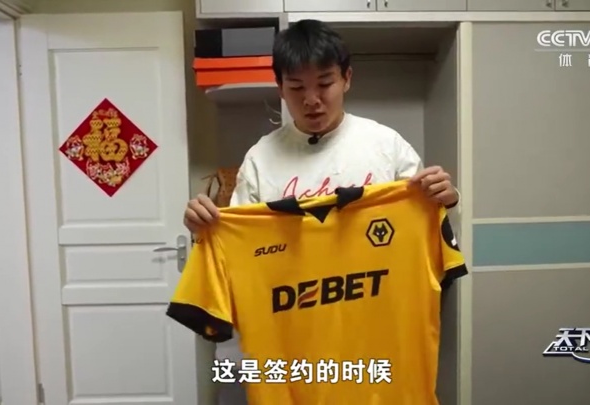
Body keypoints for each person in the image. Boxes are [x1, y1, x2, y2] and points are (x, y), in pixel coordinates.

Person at [184, 18, 460, 402]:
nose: (312, 100)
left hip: (376, 339)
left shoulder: (386, 146)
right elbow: (238, 259)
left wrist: (445, 200)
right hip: (296, 340)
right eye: (297, 87)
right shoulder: (261, 159)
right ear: (280, 88)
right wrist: (206, 230)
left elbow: (428, 235)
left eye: (325, 83)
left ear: (347, 78)